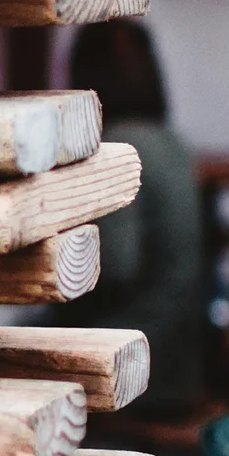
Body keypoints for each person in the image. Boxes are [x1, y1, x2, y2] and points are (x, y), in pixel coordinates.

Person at [56, 20, 203, 416]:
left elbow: (115, 269)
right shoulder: (173, 142)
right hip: (178, 362)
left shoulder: (118, 146)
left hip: (133, 363)